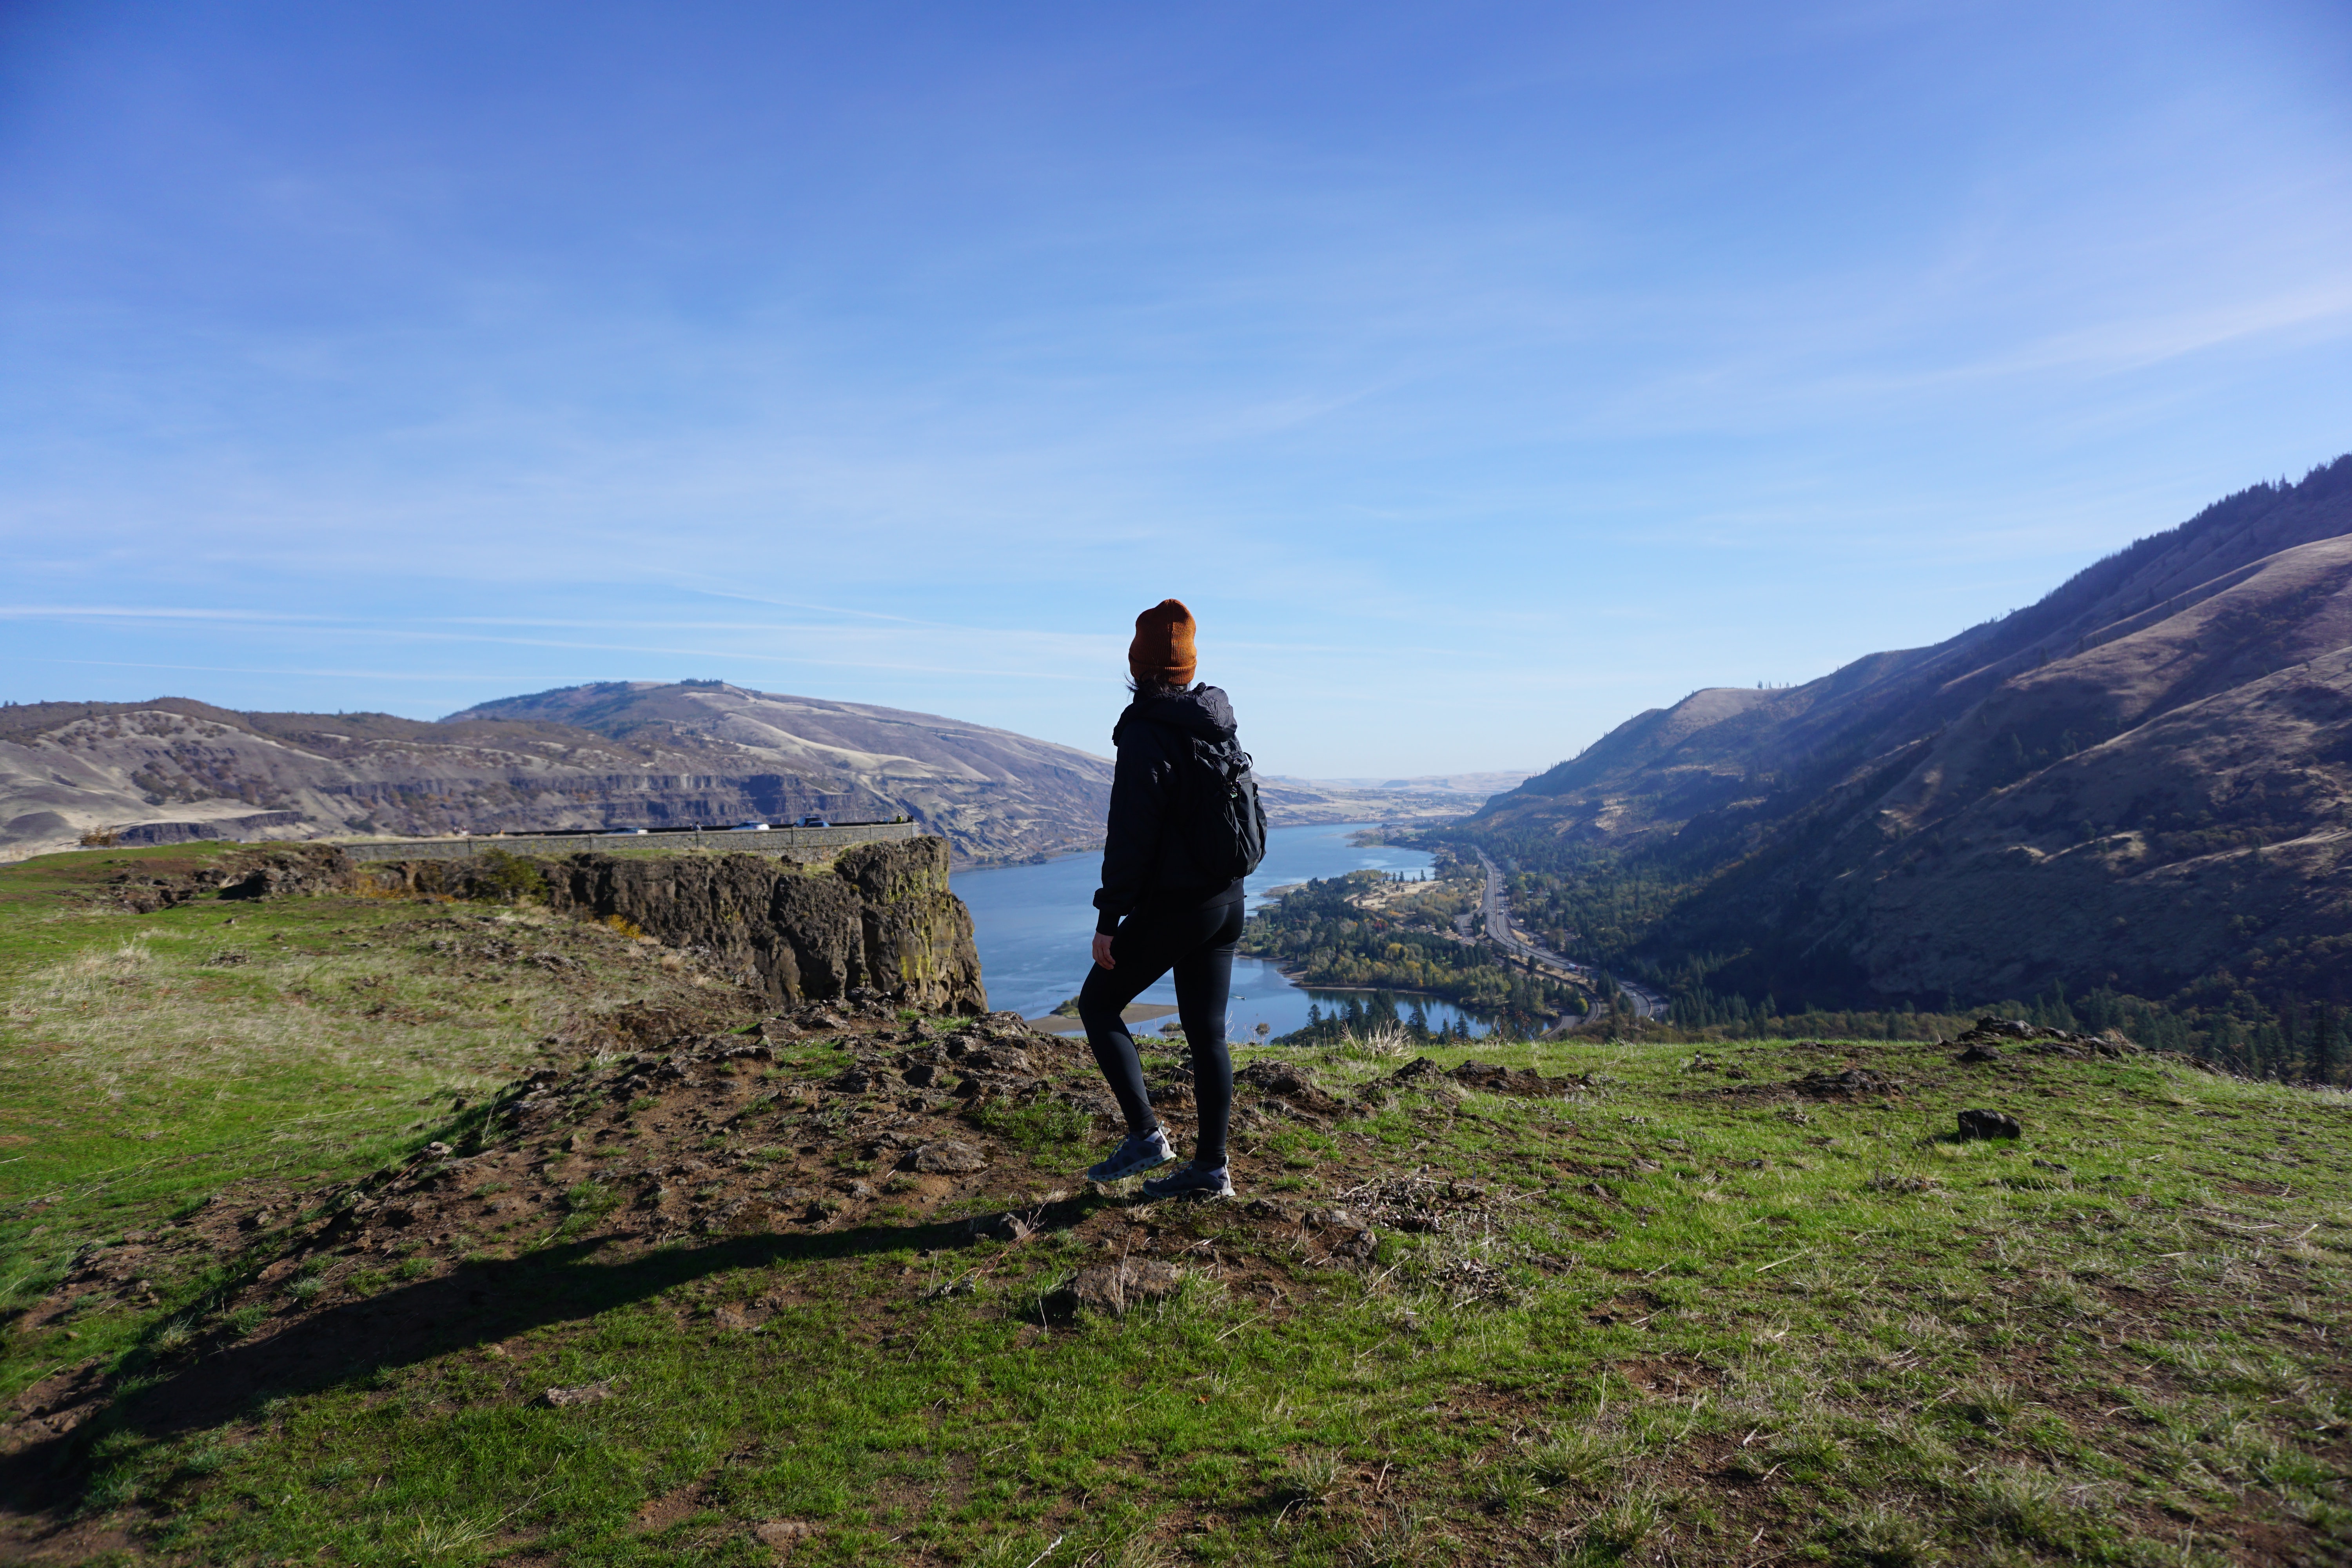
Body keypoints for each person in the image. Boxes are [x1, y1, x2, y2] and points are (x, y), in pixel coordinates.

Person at [1079, 598, 1245, 1200]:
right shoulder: (1215, 721)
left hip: (1180, 906)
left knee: (1097, 1006)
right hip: (1228, 900)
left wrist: (1108, 918)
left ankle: (1147, 1137)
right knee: (1209, 1036)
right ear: (1188, 667)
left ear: (1138, 664)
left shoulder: (1148, 731)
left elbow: (1130, 837)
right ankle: (1211, 1171)